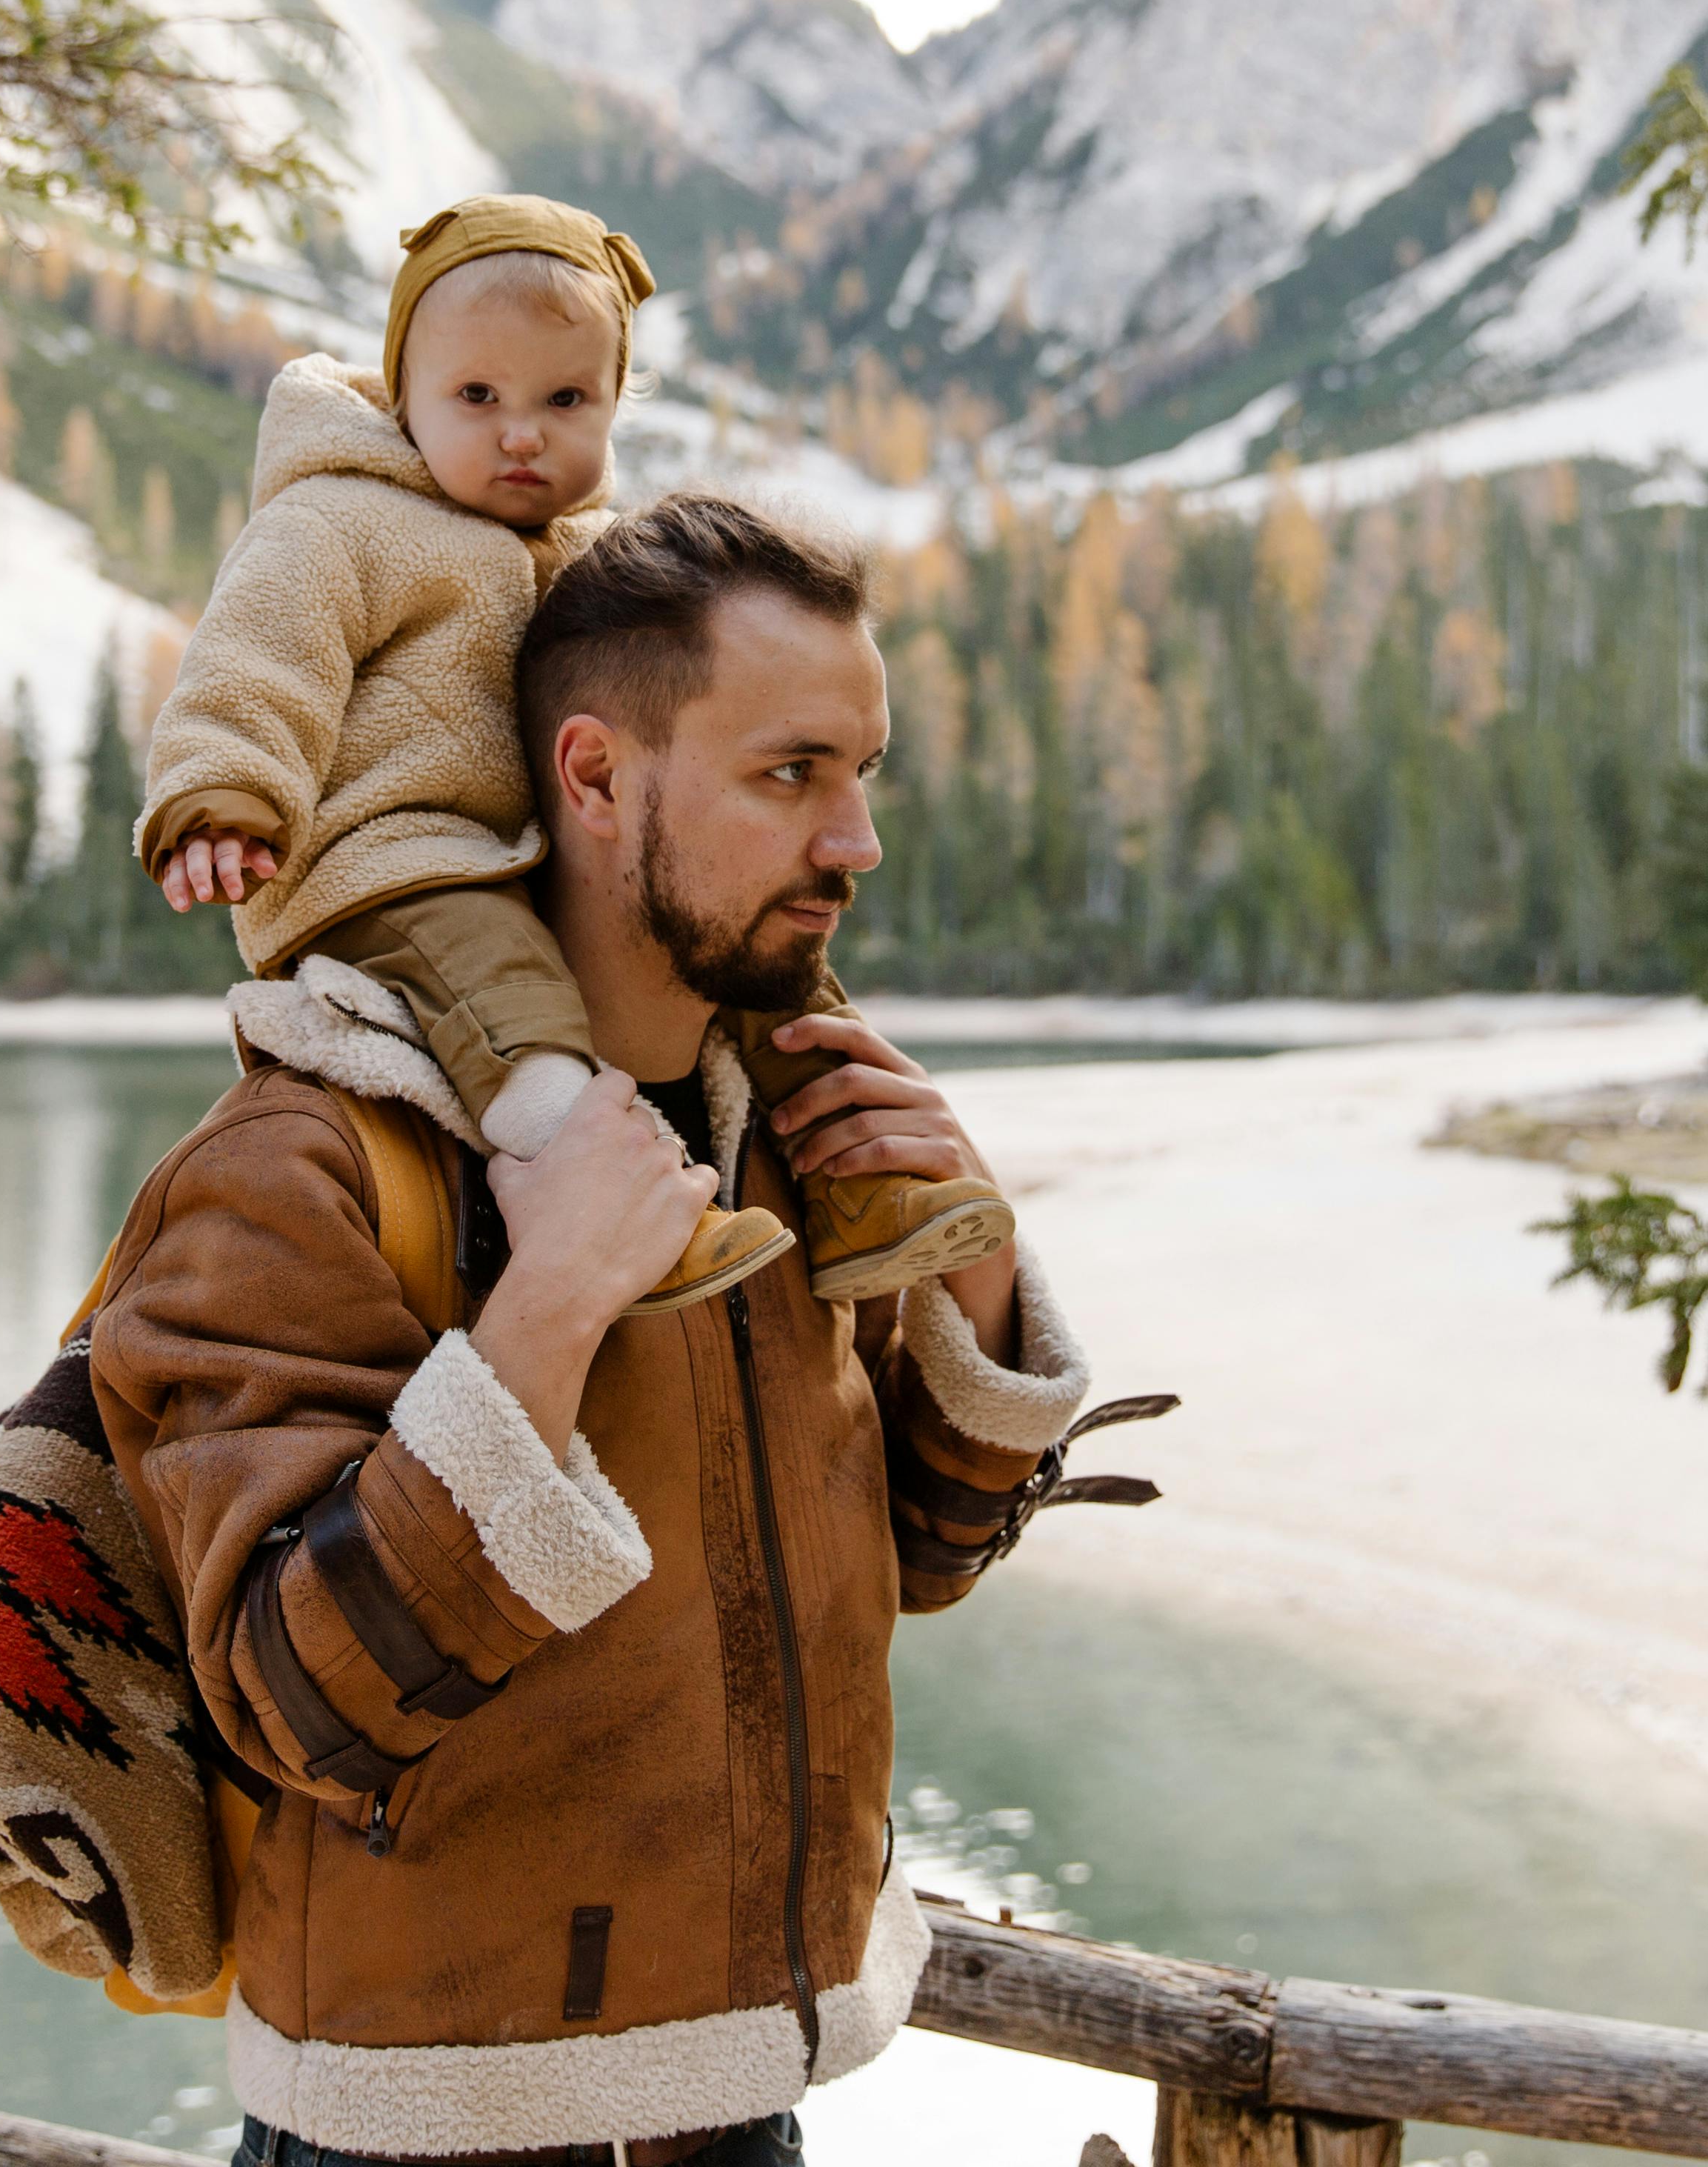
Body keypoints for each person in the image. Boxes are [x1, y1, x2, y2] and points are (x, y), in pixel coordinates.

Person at [90, 494, 1093, 2166]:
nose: (854, 840)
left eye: (863, 773)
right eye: (792, 774)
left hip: (736, 2102)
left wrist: (971, 1279)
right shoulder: (309, 1158)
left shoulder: (780, 1132)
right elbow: (294, 1698)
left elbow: (917, 1559)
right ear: (597, 778)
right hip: (418, 2134)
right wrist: (546, 1309)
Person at [133, 193, 1014, 1314]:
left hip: (516, 857)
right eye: (476, 396)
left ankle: (865, 1201)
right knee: (504, 993)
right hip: (394, 863)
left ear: (613, 404)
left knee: (795, 994)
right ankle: (587, 1183)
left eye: (565, 400)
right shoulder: (336, 522)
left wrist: (987, 1300)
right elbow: (257, 662)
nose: (521, 432)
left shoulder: (594, 560)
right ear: (402, 394)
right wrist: (224, 794)